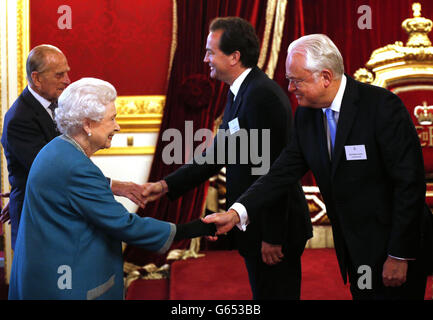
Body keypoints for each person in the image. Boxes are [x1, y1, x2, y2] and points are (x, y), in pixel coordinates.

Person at [203, 34, 433, 300]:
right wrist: (235, 214)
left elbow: (409, 184)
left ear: (325, 77)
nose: (290, 88)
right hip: (355, 249)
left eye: (296, 80)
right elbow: (280, 173)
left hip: (395, 246)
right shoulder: (306, 115)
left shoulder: (382, 107)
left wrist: (399, 254)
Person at [141, 17, 312, 300]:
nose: (205, 58)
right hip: (253, 224)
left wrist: (273, 235)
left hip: (272, 230)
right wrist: (165, 186)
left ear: (234, 56)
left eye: (211, 52)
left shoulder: (261, 96)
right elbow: (219, 153)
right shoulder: (241, 92)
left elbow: (274, 170)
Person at [8, 77, 215, 300]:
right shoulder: (74, 166)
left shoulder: (58, 149)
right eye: (112, 119)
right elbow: (125, 225)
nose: (117, 126)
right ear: (88, 124)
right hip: (68, 284)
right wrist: (196, 229)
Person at [1, 44, 147, 249]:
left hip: (58, 211)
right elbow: (55, 173)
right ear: (36, 78)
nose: (67, 80)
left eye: (67, 73)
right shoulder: (20, 119)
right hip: (36, 219)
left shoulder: (60, 104)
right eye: (59, 75)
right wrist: (116, 186)